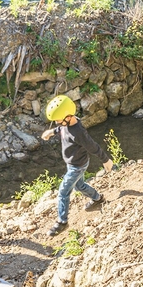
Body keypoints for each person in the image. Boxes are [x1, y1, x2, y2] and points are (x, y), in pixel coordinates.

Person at [41, 95, 114, 237]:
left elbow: (93, 147)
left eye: (58, 120)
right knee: (79, 186)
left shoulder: (78, 132)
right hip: (72, 163)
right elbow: (61, 129)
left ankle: (62, 222)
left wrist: (106, 160)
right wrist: (52, 132)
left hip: (77, 165)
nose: (57, 122)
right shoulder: (66, 124)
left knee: (63, 192)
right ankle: (97, 198)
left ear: (68, 117)